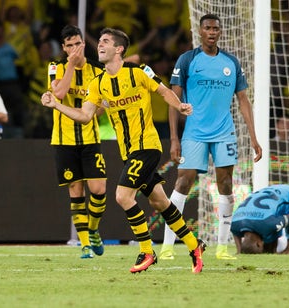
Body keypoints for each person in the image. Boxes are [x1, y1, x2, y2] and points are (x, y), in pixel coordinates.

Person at [41, 27, 205, 274]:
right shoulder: (98, 83)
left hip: (147, 146)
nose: (100, 45)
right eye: (100, 42)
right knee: (160, 201)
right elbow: (85, 116)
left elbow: (162, 90)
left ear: (119, 49)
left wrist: (179, 105)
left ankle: (147, 251)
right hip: (128, 151)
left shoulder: (138, 72)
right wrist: (56, 105)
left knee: (122, 196)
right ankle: (194, 245)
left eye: (106, 41)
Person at [159, 13, 262, 261]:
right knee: (183, 182)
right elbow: (173, 100)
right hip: (194, 133)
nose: (212, 32)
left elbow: (244, 101)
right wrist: (174, 138)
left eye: (216, 28)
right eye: (208, 28)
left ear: (220, 32)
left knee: (226, 185)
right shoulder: (187, 60)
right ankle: (167, 246)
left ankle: (223, 247)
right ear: (201, 30)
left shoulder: (231, 62)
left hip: (224, 132)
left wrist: (254, 137)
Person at [46, 25, 108, 259]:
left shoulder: (97, 70)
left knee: (99, 189)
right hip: (64, 140)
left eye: (77, 44)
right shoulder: (55, 68)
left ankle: (93, 229)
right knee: (76, 192)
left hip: (90, 138)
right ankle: (84, 245)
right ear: (63, 48)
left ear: (84, 44)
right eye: (69, 45)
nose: (74, 49)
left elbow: (101, 107)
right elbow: (59, 93)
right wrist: (71, 64)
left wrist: (97, 109)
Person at [231, 184, 289, 255]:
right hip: (269, 202)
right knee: (269, 250)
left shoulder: (267, 224)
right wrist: (239, 251)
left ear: (258, 244)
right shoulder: (235, 224)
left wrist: (288, 249)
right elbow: (235, 234)